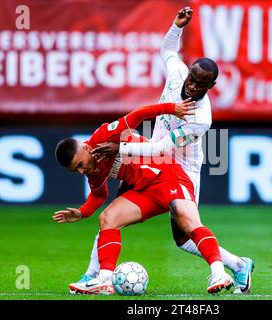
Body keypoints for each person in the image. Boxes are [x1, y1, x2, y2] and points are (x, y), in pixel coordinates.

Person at [74, 6, 254, 294]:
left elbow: (160, 147)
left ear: (212, 86)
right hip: (152, 160)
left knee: (183, 237)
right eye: (192, 78)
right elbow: (168, 50)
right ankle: (93, 276)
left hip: (181, 168)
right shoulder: (178, 73)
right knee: (111, 216)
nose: (191, 86)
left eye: (200, 85)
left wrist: (120, 149)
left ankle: (239, 264)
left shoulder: (201, 118)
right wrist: (177, 27)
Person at [53, 100, 234, 295]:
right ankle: (104, 280)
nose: (81, 171)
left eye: (80, 165)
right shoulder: (92, 169)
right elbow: (99, 195)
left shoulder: (103, 136)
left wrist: (173, 109)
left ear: (86, 149)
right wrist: (81, 213)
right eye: (75, 170)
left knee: (187, 222)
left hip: (167, 175)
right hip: (144, 190)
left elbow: (138, 115)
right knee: (107, 218)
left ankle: (219, 273)